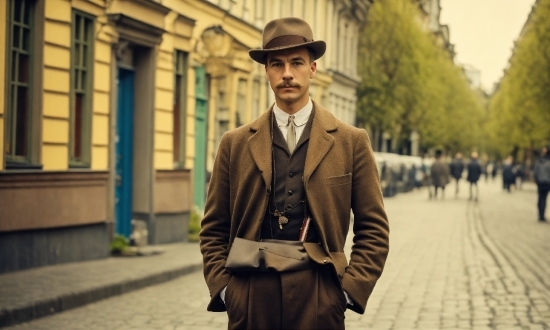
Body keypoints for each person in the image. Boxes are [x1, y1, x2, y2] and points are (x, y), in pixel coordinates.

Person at [199, 17, 390, 329]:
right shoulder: (234, 144)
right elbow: (213, 228)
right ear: (266, 71)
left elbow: (374, 229)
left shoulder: (350, 141)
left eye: (297, 62)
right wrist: (226, 289)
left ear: (312, 68)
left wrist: (346, 292)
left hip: (319, 294)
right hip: (250, 295)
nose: (287, 73)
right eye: (277, 64)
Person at [533, 146, 550, 222]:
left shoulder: (538, 161)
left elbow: (535, 173)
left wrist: (536, 180)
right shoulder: (548, 162)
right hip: (546, 183)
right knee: (543, 199)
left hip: (540, 182)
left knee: (540, 198)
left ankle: (540, 214)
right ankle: (541, 215)